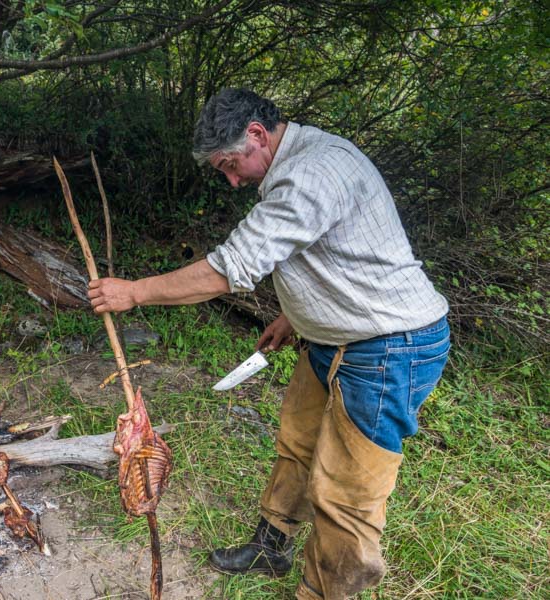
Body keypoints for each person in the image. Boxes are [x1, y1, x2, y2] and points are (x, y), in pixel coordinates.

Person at [87, 88, 450, 599]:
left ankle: (323, 593)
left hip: (386, 348)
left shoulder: (313, 172)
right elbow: (333, 251)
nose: (232, 180)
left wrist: (135, 292)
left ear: (257, 134)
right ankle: (271, 546)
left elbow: (229, 269)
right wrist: (293, 314)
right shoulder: (297, 163)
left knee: (346, 490)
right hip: (333, 338)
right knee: (299, 443)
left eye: (230, 165)